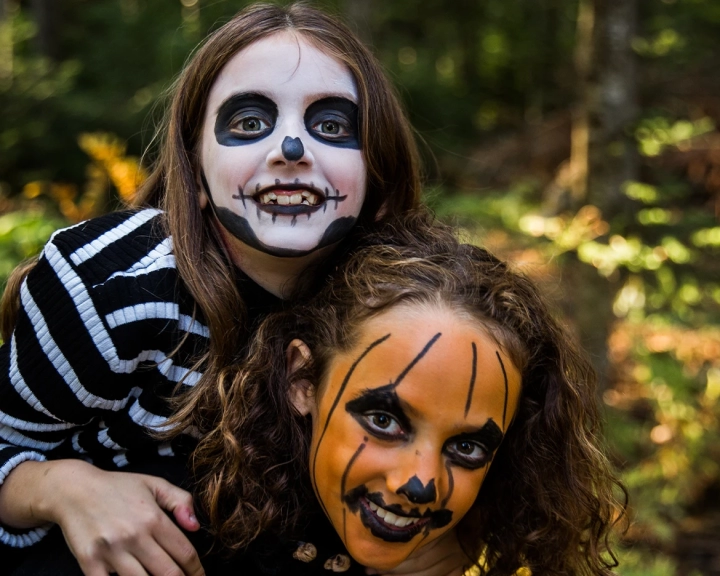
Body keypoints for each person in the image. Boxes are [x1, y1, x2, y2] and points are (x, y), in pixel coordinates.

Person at [0, 3, 474, 575]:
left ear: (378, 174)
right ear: (195, 171)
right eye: (249, 123)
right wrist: (63, 487)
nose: (290, 150)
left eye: (330, 127)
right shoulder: (111, 287)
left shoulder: (415, 307)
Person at [181, 212, 626, 576]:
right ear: (302, 380)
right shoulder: (165, 526)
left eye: (466, 447)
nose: (421, 483)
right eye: (384, 421)